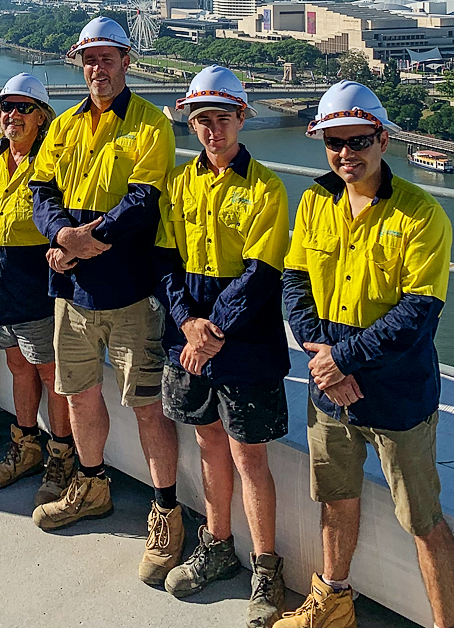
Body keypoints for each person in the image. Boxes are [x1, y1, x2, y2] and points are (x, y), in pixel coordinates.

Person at [278, 81, 454, 628]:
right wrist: (325, 363)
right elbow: (295, 281)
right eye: (334, 142)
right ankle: (333, 601)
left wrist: (342, 361)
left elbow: (417, 314)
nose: (345, 153)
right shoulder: (315, 201)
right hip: (329, 388)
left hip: (398, 393)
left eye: (358, 140)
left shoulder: (421, 215)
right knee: (335, 499)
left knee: (423, 520)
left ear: (383, 140)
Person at [28, 17, 182, 586]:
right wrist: (61, 235)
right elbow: (41, 190)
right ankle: (91, 485)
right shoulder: (64, 124)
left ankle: (166, 511)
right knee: (80, 394)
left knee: (146, 405)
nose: (98, 68)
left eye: (107, 58)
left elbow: (143, 201)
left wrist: (83, 241)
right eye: (89, 59)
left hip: (129, 292)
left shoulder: (150, 124)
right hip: (72, 292)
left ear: (126, 61)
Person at [156, 66, 290, 626]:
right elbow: (165, 260)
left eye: (222, 118)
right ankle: (217, 544)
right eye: (202, 119)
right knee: (208, 439)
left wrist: (209, 332)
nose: (212, 129)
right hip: (190, 331)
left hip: (245, 335)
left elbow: (261, 275)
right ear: (191, 123)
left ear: (242, 119)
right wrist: (188, 322)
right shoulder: (178, 183)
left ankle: (266, 567)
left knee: (249, 453)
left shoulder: (266, 188)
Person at [0, 74, 75, 505]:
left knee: (50, 373)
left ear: (42, 117)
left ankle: (61, 456)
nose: (12, 115)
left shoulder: (52, 160)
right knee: (17, 364)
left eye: (23, 108)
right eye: (5, 107)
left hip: (36, 279)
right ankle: (26, 446)